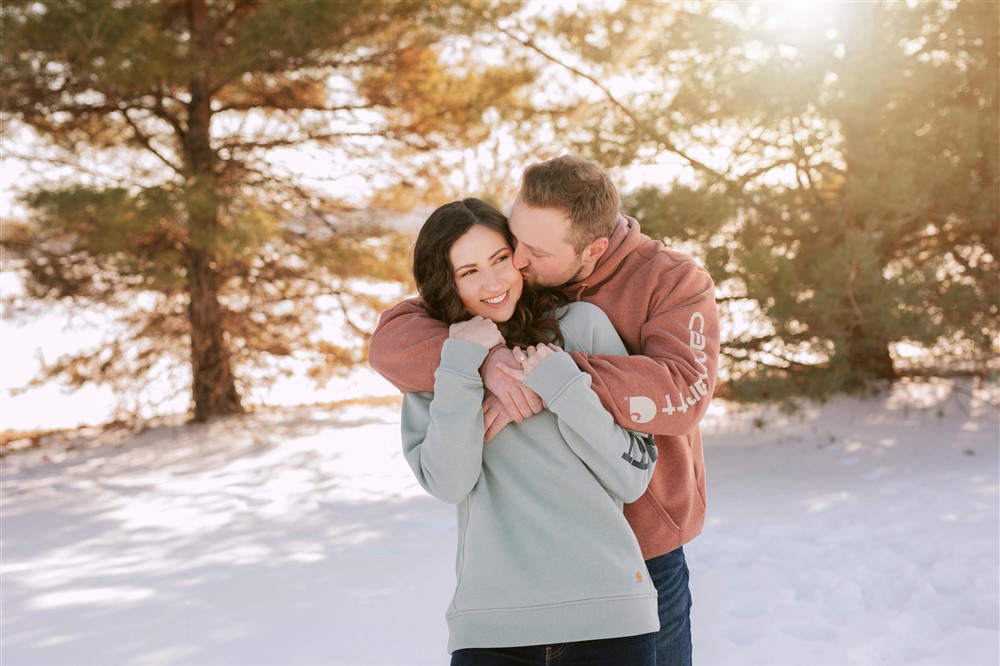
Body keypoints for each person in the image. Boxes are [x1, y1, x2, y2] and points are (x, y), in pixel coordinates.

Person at [369, 156, 720, 666]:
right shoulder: (510, 276)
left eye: (532, 252)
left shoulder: (670, 280)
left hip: (640, 546)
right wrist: (487, 360)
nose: (519, 262)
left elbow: (684, 389)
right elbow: (392, 340)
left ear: (592, 249)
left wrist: (555, 374)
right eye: (514, 240)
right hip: (517, 576)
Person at [401, 197, 660, 664]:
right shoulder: (437, 365)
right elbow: (448, 482)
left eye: (501, 259)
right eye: (470, 271)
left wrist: (564, 386)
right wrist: (462, 366)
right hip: (492, 629)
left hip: (610, 617)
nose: (494, 281)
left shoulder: (583, 326)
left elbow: (632, 477)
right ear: (447, 283)